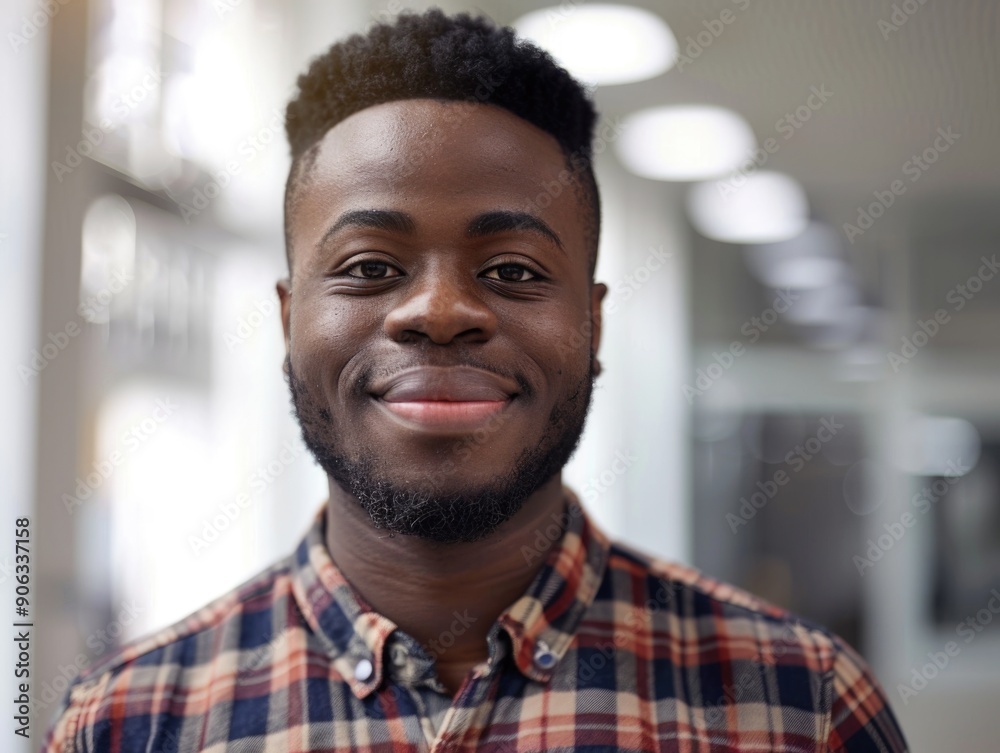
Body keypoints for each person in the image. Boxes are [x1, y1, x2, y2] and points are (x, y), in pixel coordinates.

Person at [43, 9, 908, 752]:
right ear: (286, 319)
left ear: (594, 324)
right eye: (371, 264)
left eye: (517, 271)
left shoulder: (798, 706)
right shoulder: (127, 721)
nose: (441, 310)